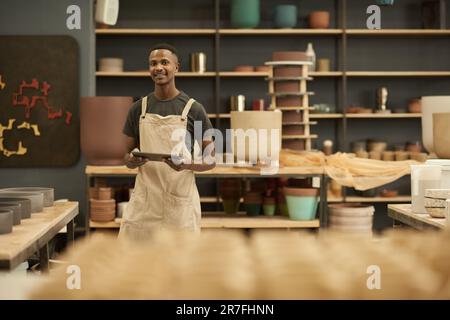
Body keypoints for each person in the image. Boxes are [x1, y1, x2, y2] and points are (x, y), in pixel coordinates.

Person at [119, 43, 215, 240]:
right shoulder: (139, 109)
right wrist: (131, 161)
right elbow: (125, 155)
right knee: (139, 262)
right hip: (145, 204)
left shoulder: (194, 110)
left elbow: (211, 160)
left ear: (176, 67)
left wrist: (186, 165)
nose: (158, 67)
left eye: (164, 62)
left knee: (179, 265)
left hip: (179, 205)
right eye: (153, 63)